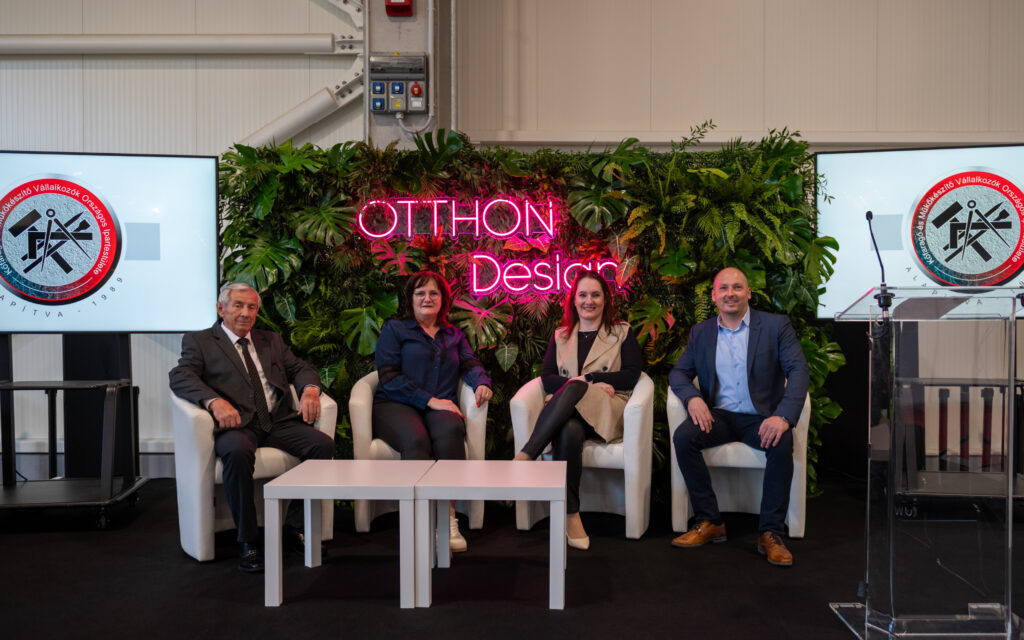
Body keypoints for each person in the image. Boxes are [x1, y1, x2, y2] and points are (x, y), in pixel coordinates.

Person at [169, 282, 334, 573]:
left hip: (276, 420)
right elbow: (181, 375)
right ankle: (248, 540)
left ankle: (295, 526)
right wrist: (214, 401)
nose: (245, 313)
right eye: (238, 306)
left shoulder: (270, 340)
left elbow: (300, 368)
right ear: (221, 308)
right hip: (238, 424)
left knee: (322, 445)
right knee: (236, 452)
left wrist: (309, 390)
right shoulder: (201, 341)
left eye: (252, 307)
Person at [668, 267, 809, 566]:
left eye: (737, 287)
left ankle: (770, 532)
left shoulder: (775, 326)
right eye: (723, 288)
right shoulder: (701, 332)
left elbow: (798, 370)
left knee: (782, 443)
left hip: (761, 418)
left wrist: (783, 417)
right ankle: (710, 521)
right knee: (683, 437)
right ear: (714, 296)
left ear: (748, 293)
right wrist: (693, 398)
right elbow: (679, 372)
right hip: (719, 417)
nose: (730, 294)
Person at [513, 270, 642, 550]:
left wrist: (591, 379)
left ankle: (526, 455)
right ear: (574, 299)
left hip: (606, 408)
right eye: (582, 295)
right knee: (569, 429)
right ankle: (571, 515)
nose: (589, 301)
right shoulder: (561, 336)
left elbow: (632, 375)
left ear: (605, 299)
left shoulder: (622, 332)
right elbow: (547, 378)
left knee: (575, 386)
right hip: (567, 414)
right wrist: (580, 384)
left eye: (595, 295)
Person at [373, 271, 492, 552]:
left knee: (450, 430)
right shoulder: (395, 329)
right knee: (415, 439)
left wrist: (482, 383)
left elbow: (470, 363)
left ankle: (447, 520)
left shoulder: (454, 335)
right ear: (410, 299)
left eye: (433, 293)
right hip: (395, 403)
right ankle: (418, 522)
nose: (427, 298)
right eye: (420, 293)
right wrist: (429, 400)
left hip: (440, 405)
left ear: (442, 300)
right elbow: (388, 376)